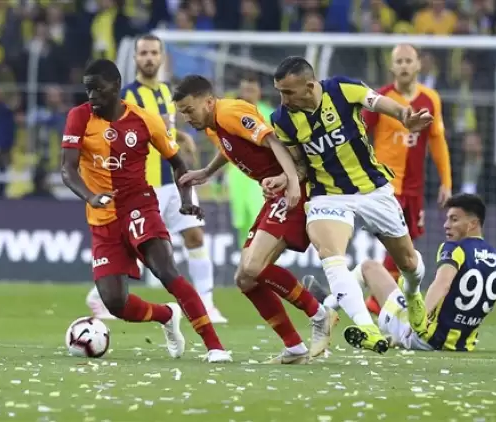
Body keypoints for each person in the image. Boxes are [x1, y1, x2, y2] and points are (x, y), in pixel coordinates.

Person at [61, 59, 231, 363]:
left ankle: (215, 347)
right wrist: (90, 196)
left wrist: (186, 199)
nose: (92, 96)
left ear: (116, 86)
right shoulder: (79, 117)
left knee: (167, 272)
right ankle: (166, 315)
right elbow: (68, 170)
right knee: (115, 303)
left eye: (98, 89)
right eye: (88, 90)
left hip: (138, 206)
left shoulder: (144, 119)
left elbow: (178, 163)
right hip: (102, 219)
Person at [270, 56, 432, 354]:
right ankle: (366, 327)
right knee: (330, 256)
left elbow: (380, 103)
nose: (283, 99)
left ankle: (413, 294)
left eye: (288, 92)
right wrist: (286, 178)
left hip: (372, 190)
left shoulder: (343, 89)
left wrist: (403, 116)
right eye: (280, 92)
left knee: (409, 263)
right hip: (328, 195)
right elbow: (301, 165)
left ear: (309, 86)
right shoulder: (282, 120)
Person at [174, 75, 338, 364]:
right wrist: (207, 173)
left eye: (189, 110)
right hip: (276, 194)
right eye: (182, 113)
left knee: (253, 267)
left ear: (208, 102)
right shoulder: (214, 124)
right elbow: (228, 148)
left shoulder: (230, 112)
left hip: (293, 189)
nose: (187, 118)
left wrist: (292, 181)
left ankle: (319, 313)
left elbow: (273, 141)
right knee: (245, 279)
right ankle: (295, 348)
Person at [85, 34, 228, 324]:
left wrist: (181, 137)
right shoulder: (124, 96)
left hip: (174, 179)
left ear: (162, 57)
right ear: (135, 58)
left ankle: (207, 304)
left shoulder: (166, 91)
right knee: (135, 247)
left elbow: (162, 131)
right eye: (143, 53)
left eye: (153, 52)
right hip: (144, 185)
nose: (149, 58)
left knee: (195, 236)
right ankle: (99, 295)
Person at [326, 44, 453, 315]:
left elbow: (437, 141)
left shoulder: (430, 99)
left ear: (418, 65)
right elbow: (358, 132)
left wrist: (446, 181)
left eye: (409, 60)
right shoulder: (381, 100)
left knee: (406, 250)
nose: (404, 65)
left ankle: (361, 299)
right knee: (399, 247)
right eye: (399, 61)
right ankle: (372, 300)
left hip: (414, 189)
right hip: (386, 186)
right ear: (392, 67)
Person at [355, 194, 496, 352]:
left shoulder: (455, 249)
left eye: (454, 219)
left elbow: (442, 285)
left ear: (473, 224)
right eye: (447, 219)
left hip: (424, 338)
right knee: (403, 287)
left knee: (369, 268)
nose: (446, 225)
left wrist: (418, 323)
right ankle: (394, 335)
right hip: (462, 346)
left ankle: (349, 313)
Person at [226, 74, 272, 247]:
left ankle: (263, 259)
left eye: (251, 89)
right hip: (237, 174)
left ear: (259, 91)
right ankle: (246, 258)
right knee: (242, 223)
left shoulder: (268, 114)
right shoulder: (230, 113)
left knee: (259, 217)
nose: (248, 93)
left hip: (261, 175)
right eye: (245, 89)